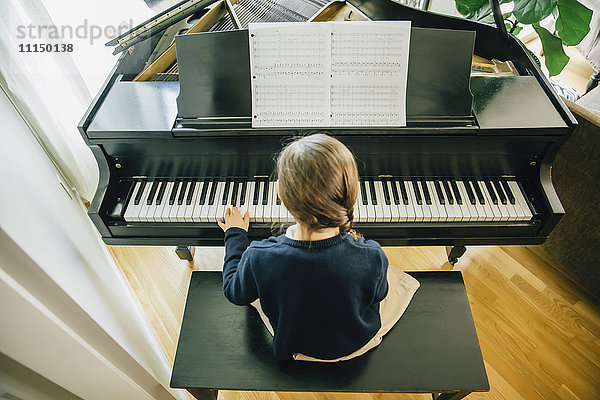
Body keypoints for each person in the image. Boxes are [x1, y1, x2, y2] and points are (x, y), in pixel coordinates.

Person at [217, 133, 420, 362]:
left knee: (263, 285)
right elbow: (379, 294)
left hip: (295, 343)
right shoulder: (371, 255)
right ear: (351, 193)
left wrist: (235, 235)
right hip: (357, 341)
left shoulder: (259, 257)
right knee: (398, 282)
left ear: (280, 194)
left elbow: (234, 292)